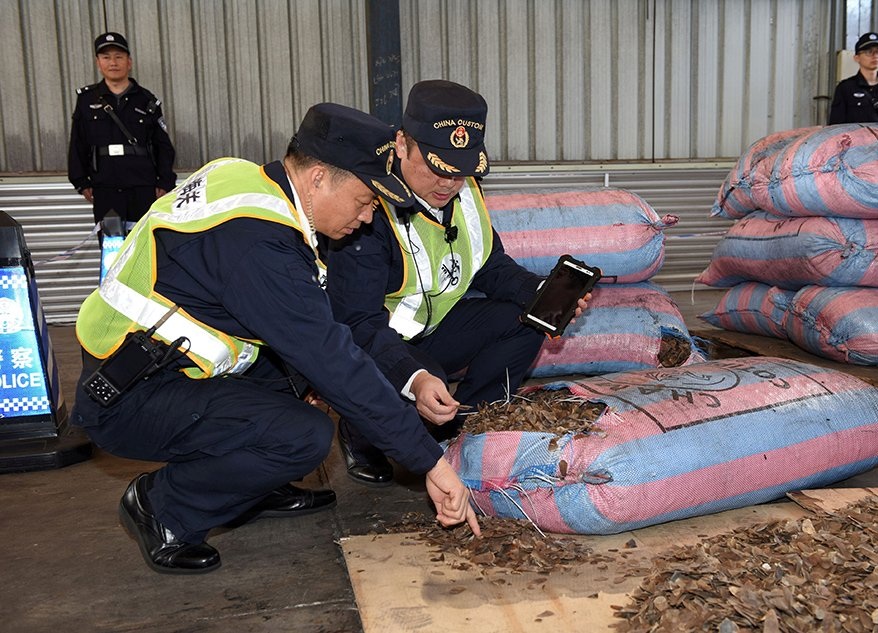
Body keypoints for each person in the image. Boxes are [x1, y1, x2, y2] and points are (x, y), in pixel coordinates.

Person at [70, 103, 480, 575]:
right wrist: (431, 461)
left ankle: (253, 486)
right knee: (304, 436)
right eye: (366, 201)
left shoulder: (249, 180)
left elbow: (327, 330)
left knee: (299, 375)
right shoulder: (258, 245)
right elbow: (332, 359)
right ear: (319, 178)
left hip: (153, 365)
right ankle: (163, 508)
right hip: (127, 395)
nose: (368, 218)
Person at [326, 80, 588, 486]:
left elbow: (489, 265)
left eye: (460, 170)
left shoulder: (464, 193)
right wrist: (414, 378)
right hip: (375, 342)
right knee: (416, 389)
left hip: (434, 329)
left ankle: (471, 425)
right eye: (436, 167)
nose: (449, 183)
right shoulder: (367, 207)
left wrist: (541, 294)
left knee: (524, 319)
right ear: (401, 143)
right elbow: (356, 324)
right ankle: (362, 434)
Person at [67, 32, 176, 236]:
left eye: (118, 56)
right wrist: (81, 181)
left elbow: (162, 144)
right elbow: (78, 143)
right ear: (98, 63)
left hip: (142, 186)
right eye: (106, 57)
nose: (113, 62)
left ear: (129, 62)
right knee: (112, 249)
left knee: (144, 246)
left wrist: (164, 182)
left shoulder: (147, 100)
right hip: (105, 186)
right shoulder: (86, 100)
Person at [828, 32, 878, 124]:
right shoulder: (846, 89)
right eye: (868, 52)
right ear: (857, 58)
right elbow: (836, 126)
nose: (874, 56)